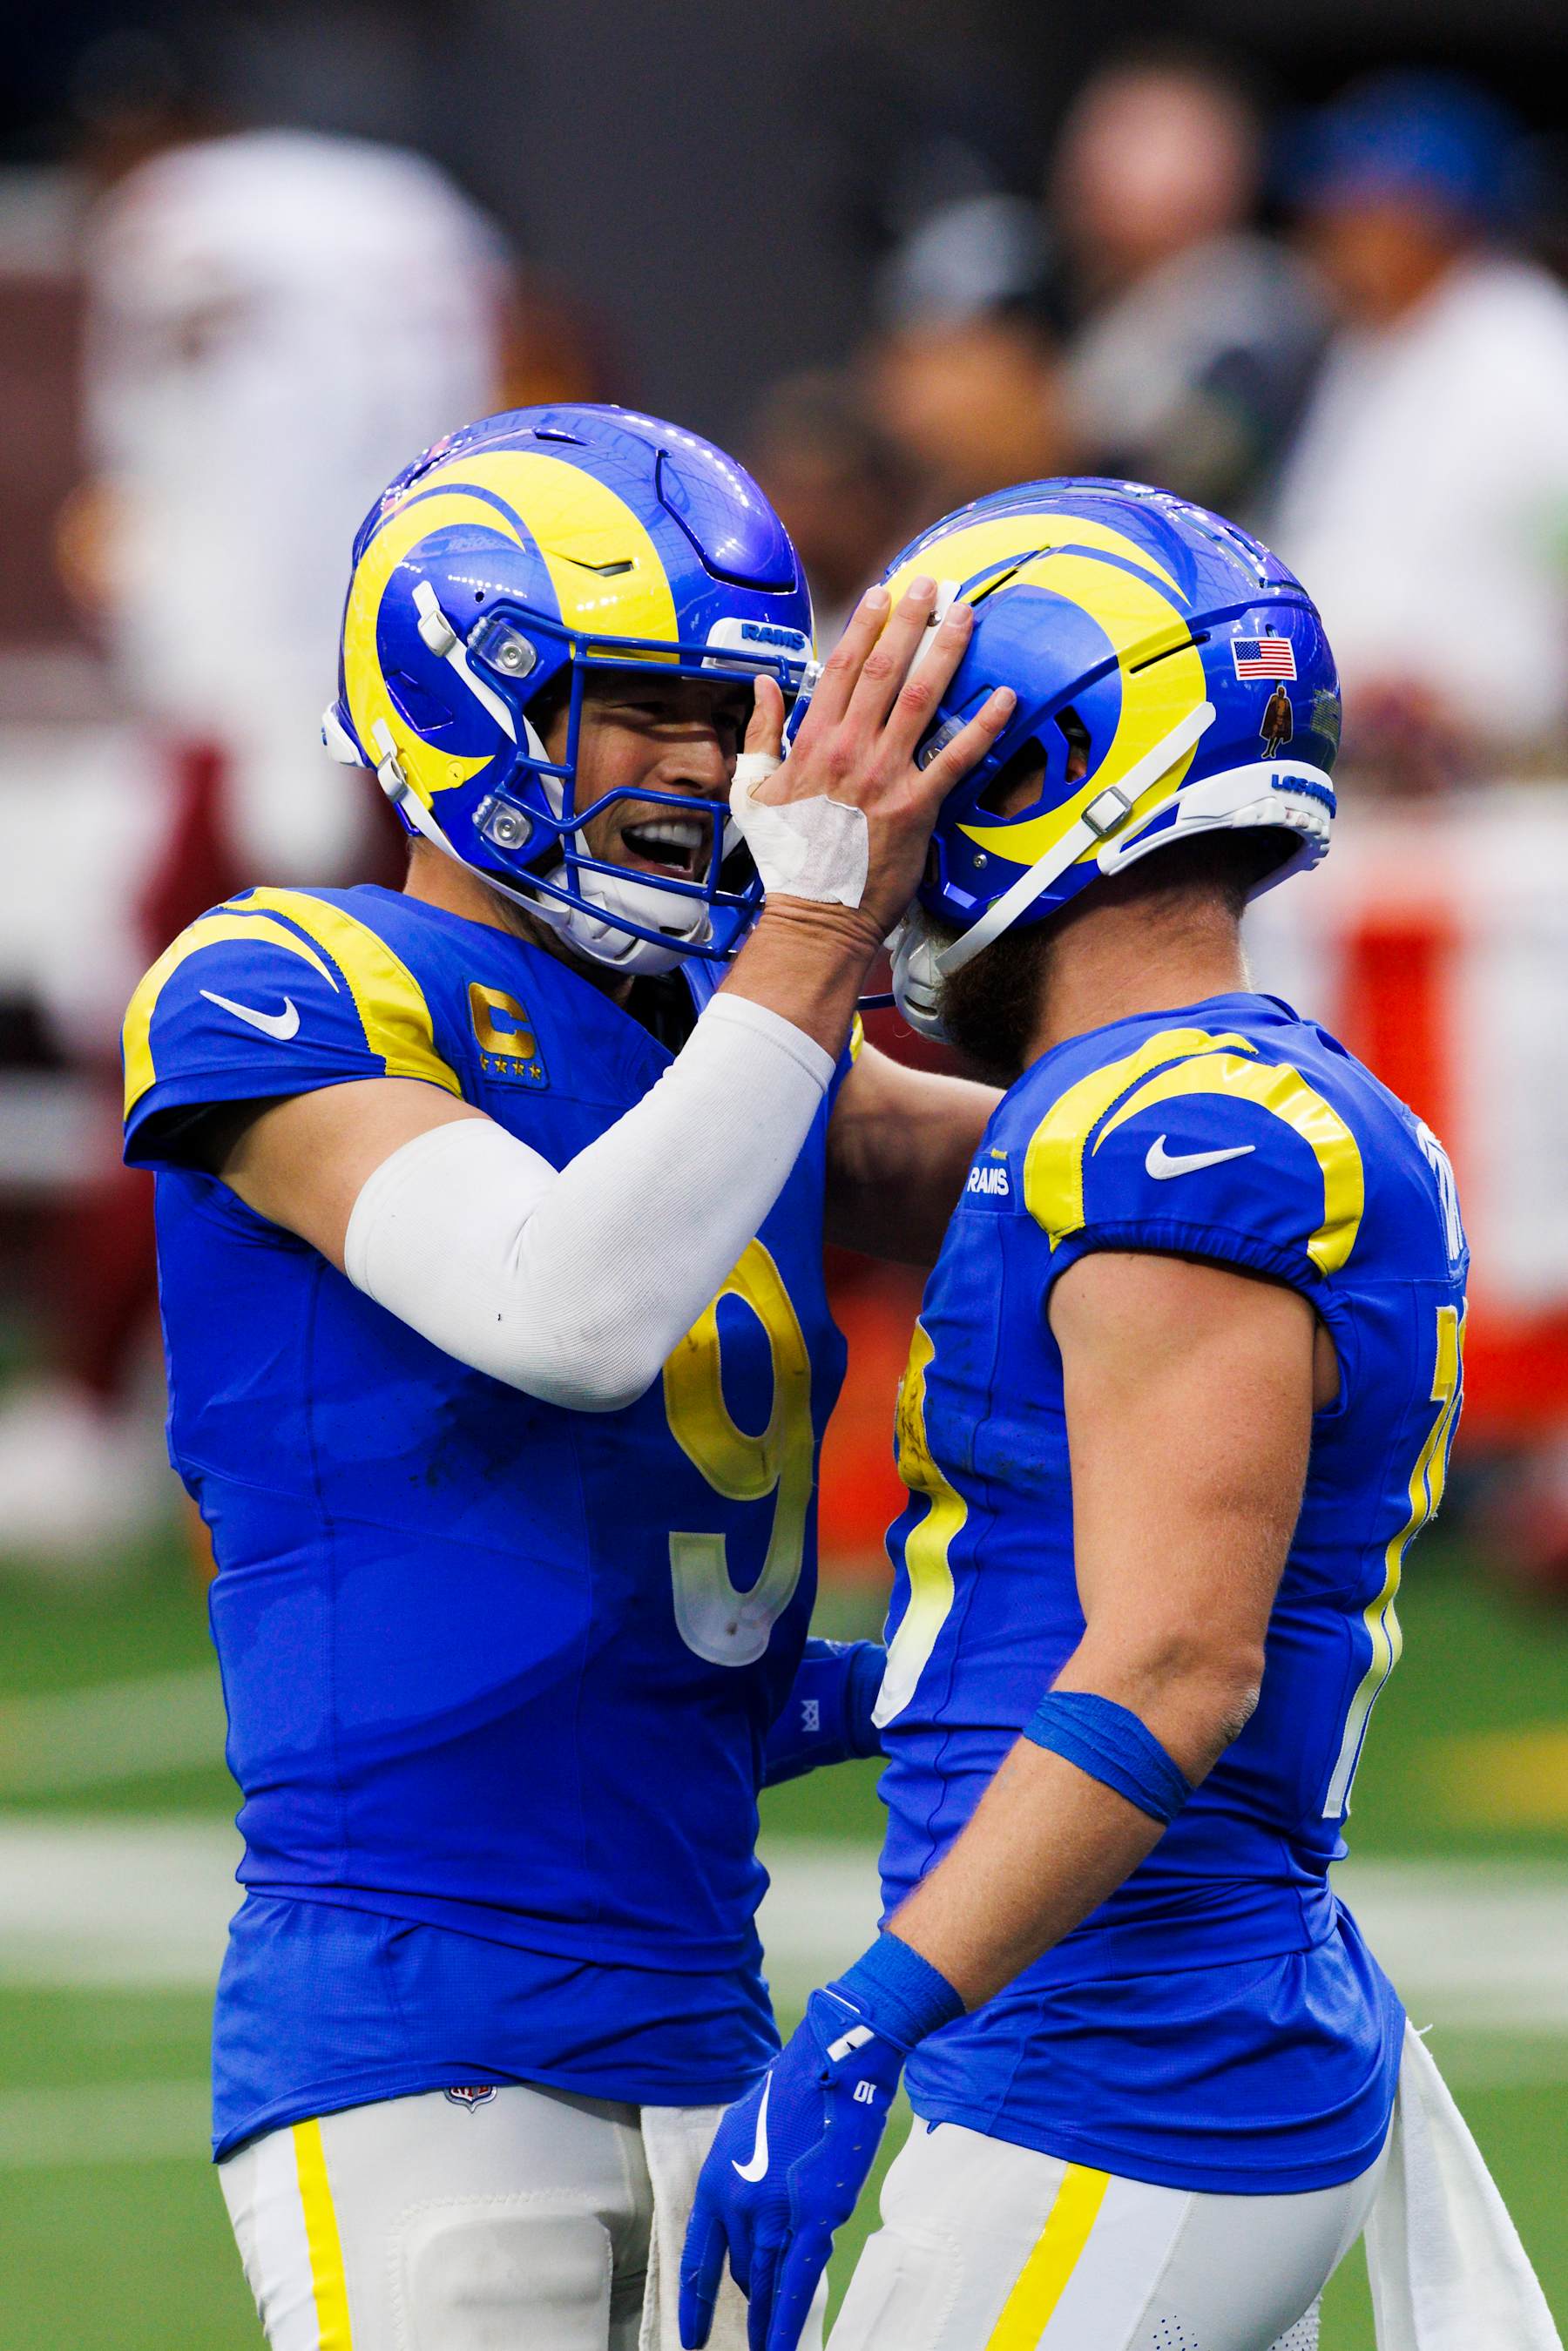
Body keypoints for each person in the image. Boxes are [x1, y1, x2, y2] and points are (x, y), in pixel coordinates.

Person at [119, 402, 1011, 2351]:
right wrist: (809, 938)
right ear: (470, 691)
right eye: (641, 706)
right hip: (423, 2008)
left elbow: (1088, 1178)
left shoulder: (732, 1033)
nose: (703, 760)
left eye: (732, 711)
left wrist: (1254, 1101)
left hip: (702, 1990)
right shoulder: (289, 980)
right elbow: (570, 1312)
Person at [682, 482, 1558, 2351]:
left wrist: (861, 2019)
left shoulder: (1183, 1142)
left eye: (911, 763)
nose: (876, 818)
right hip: (1136, 2048)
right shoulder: (1155, 1110)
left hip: (1126, 2071)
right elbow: (828, 1139)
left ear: (1034, 774)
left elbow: (1176, 1661)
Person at [1270, 72, 1568, 780]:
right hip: (1362, 755)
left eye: (1355, 204)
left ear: (1432, 213)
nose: (1326, 224)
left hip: (1499, 772)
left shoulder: (1527, 342)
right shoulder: (1359, 346)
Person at [1051, 49, 1328, 517]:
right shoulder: (1113, 295)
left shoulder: (1254, 301)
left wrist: (1038, 448)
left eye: (1135, 135)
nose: (1092, 160)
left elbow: (1202, 477)